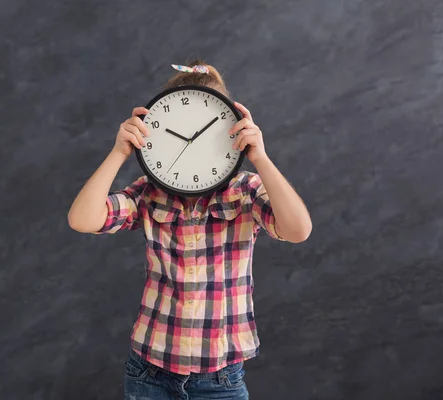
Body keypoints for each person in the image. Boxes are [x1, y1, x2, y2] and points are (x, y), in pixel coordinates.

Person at [68, 60, 312, 399]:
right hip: (149, 373)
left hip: (220, 380)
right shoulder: (149, 192)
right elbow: (83, 219)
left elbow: (298, 230)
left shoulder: (245, 191)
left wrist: (262, 159)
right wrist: (118, 152)